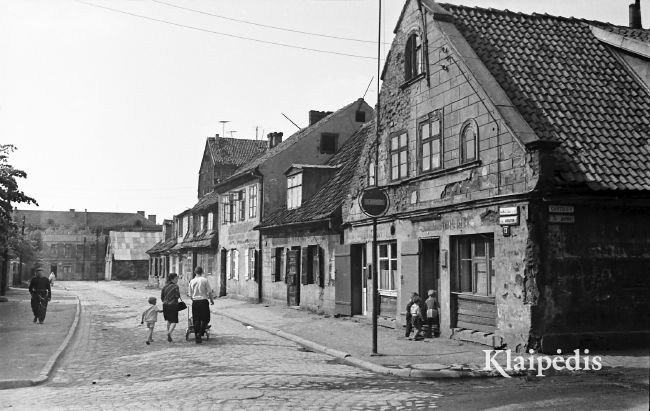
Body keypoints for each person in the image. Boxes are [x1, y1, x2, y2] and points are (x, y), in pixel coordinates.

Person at [188, 266, 213, 344]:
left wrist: (193, 300)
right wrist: (211, 300)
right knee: (206, 318)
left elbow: (190, 294)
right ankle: (201, 332)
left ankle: (197, 335)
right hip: (203, 301)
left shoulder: (191, 281)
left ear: (195, 272)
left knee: (196, 319)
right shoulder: (205, 280)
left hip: (195, 302)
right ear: (202, 272)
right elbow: (209, 292)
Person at [161, 273, 181, 342]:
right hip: (173, 305)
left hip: (165, 305)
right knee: (174, 321)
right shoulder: (175, 286)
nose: (177, 280)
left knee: (169, 320)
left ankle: (169, 334)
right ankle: (169, 333)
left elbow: (162, 297)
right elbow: (177, 296)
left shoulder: (164, 287)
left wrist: (166, 301)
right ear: (172, 279)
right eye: (176, 279)